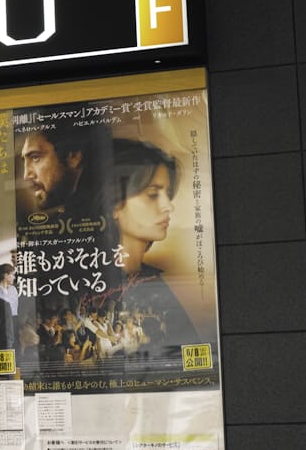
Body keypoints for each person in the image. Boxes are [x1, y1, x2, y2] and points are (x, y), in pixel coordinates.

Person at [106, 138, 198, 347]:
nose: (168, 206)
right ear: (112, 204)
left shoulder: (149, 279)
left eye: (167, 194)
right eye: (153, 194)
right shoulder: (101, 284)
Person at [18, 124, 107, 224]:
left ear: (73, 157)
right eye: (24, 161)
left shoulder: (102, 206)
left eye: (35, 157)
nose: (26, 175)